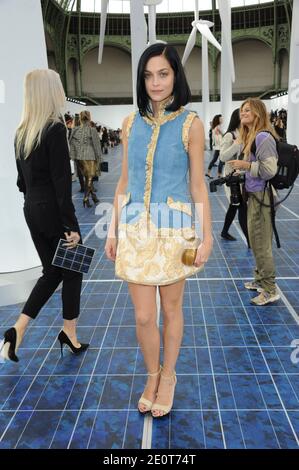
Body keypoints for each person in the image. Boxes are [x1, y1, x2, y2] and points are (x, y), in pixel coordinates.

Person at [105, 44, 213, 417]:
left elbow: (198, 184)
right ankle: (151, 374)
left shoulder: (191, 124)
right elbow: (123, 182)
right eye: (148, 75)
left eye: (163, 74)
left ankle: (169, 375)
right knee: (143, 316)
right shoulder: (130, 123)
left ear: (175, 76)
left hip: (175, 230)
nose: (155, 82)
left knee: (171, 308)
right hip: (135, 228)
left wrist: (206, 233)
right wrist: (113, 229)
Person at [0, 69, 88, 363]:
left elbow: (20, 182)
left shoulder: (21, 132)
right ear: (50, 91)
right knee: (73, 270)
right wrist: (70, 225)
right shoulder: (54, 129)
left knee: (52, 272)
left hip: (31, 209)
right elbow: (63, 184)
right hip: (52, 211)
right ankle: (69, 333)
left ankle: (17, 330)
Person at [230, 98, 280, 306]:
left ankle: (269, 289)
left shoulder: (262, 138)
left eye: (248, 110)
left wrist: (245, 165)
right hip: (254, 195)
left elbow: (269, 170)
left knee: (260, 244)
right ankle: (261, 279)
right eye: (242, 110)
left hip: (262, 197)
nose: (243, 113)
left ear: (258, 113)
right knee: (256, 239)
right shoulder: (252, 136)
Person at [219, 108, 250, 246]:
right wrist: (236, 144)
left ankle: (224, 231)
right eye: (242, 115)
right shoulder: (229, 136)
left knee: (235, 205)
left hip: (242, 176)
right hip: (232, 179)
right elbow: (223, 157)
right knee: (241, 206)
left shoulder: (246, 133)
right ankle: (250, 242)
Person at [69, 111, 101, 208]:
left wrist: (73, 156)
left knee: (87, 178)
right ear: (89, 118)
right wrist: (99, 157)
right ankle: (86, 199)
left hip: (79, 157)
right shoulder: (92, 130)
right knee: (90, 178)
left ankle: (94, 197)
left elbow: (71, 143)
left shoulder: (75, 130)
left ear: (80, 119)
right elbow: (96, 146)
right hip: (90, 156)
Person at [205, 114, 224, 179]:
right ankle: (219, 175)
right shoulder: (218, 127)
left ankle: (208, 172)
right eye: (221, 119)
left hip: (218, 147)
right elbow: (224, 135)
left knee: (214, 160)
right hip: (220, 147)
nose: (222, 120)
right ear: (218, 120)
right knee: (221, 160)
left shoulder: (215, 127)